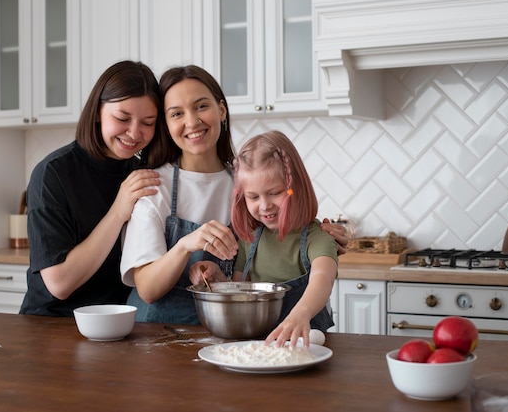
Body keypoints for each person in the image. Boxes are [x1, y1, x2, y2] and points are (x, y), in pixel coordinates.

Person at [120, 65, 349, 325]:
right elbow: (148, 290)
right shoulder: (153, 186)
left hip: (229, 330)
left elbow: (275, 248)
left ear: (222, 110)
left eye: (201, 106)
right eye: (177, 113)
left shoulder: (245, 182)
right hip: (161, 333)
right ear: (167, 124)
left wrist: (322, 239)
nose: (192, 121)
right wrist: (186, 245)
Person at [20, 60, 164, 316]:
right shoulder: (53, 173)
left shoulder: (142, 173)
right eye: (122, 118)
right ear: (97, 111)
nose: (134, 132)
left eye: (148, 122)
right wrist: (119, 211)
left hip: (118, 323)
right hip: (51, 326)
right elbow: (59, 283)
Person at [195, 130, 338, 348]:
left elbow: (323, 278)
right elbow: (242, 292)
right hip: (258, 345)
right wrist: (218, 282)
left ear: (295, 188)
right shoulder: (249, 238)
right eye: (253, 196)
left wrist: (301, 314)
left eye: (275, 193)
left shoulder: (316, 238)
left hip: (307, 347)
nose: (264, 205)